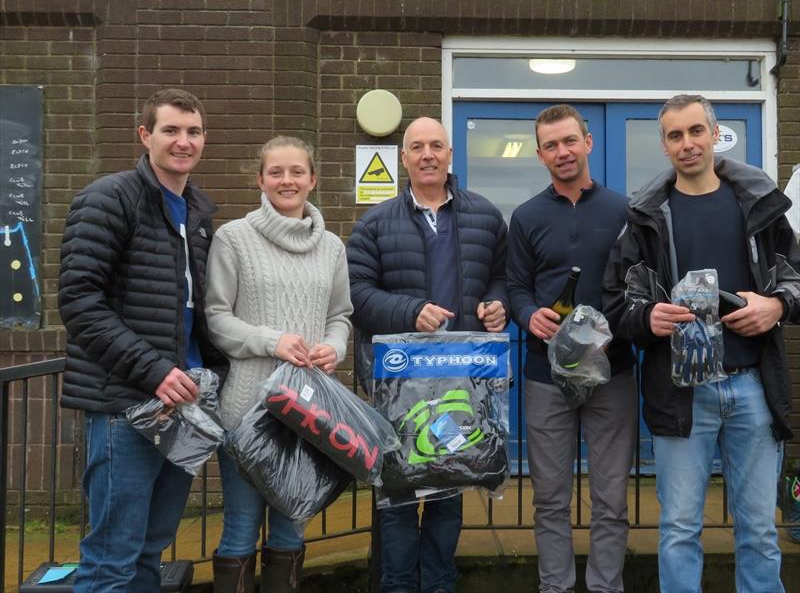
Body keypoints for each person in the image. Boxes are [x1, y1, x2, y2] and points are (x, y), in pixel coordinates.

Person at [603, 94, 800, 593]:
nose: (687, 144)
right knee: (679, 531)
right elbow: (616, 306)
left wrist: (776, 306)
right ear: (664, 145)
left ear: (715, 134)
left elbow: (796, 280)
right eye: (675, 135)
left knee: (758, 531)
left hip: (752, 386)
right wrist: (650, 317)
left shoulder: (758, 207)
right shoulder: (646, 218)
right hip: (681, 394)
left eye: (695, 131)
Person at [58, 88, 229, 592]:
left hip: (184, 405)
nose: (183, 141)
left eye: (193, 131)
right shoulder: (108, 198)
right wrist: (153, 370)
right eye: (171, 130)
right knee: (112, 558)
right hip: (125, 404)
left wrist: (213, 372)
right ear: (144, 135)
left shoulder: (198, 211)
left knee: (151, 551)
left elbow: (196, 310)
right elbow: (80, 302)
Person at [346, 116, 508, 593]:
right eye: (417, 147)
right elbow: (355, 295)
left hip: (461, 386)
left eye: (436, 145)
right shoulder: (374, 223)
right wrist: (410, 311)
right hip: (398, 390)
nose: (427, 155)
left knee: (449, 492)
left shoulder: (485, 216)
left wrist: (497, 306)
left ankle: (439, 585)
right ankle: (397, 586)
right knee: (397, 497)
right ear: (404, 158)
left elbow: (501, 276)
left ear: (450, 155)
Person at [205, 136, 352, 593]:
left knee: (291, 530)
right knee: (241, 529)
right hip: (247, 413)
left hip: (306, 414)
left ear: (313, 179)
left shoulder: (331, 247)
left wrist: (334, 347)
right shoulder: (233, 238)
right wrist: (274, 341)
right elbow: (215, 317)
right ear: (260, 180)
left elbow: (339, 316)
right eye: (276, 172)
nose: (286, 180)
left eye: (296, 172)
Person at [505, 104, 636, 592]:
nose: (562, 152)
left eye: (569, 141)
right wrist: (527, 313)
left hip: (613, 373)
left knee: (611, 499)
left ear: (588, 142)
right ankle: (555, 587)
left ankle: (606, 587)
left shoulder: (625, 211)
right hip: (546, 377)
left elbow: (638, 286)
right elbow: (515, 285)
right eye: (551, 145)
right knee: (550, 499)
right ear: (540, 155)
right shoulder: (526, 216)